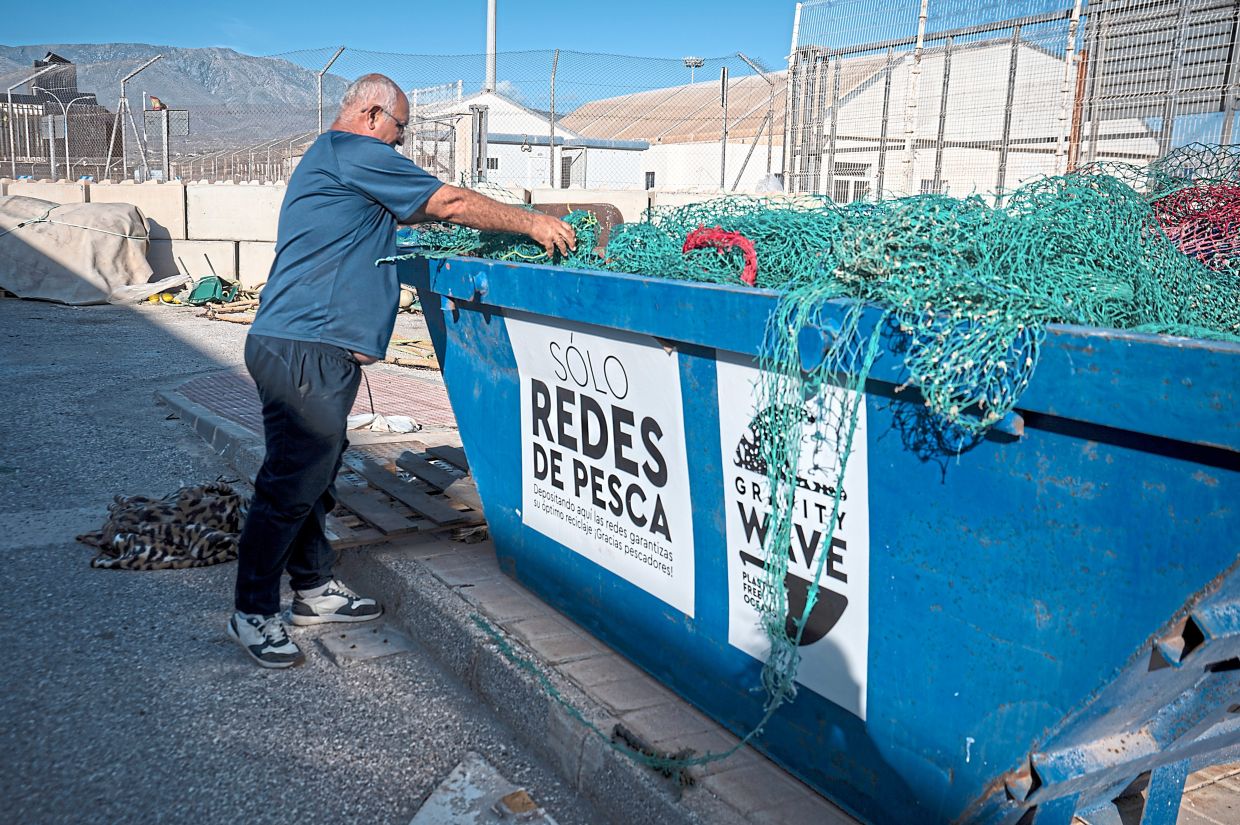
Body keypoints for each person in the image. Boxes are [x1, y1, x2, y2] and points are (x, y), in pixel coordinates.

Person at [227, 73, 576, 668]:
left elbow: (418, 217)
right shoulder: (354, 151)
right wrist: (530, 221)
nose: (400, 144)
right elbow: (449, 202)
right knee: (290, 483)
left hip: (307, 347)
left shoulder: (340, 161)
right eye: (399, 130)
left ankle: (311, 588)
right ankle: (252, 611)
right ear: (370, 115)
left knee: (314, 475)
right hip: (304, 347)